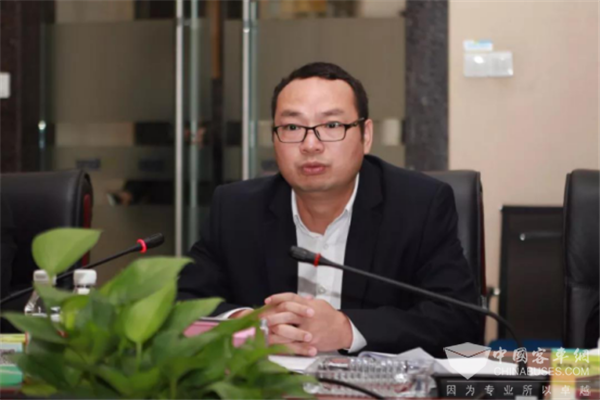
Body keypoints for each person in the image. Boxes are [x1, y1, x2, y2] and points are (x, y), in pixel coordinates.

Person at [178, 62, 481, 357]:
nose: (311, 144)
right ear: (274, 138)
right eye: (292, 127)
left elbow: (460, 321)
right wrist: (247, 324)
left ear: (366, 136)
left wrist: (347, 329)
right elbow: (181, 304)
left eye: (332, 125)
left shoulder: (419, 205)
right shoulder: (236, 209)